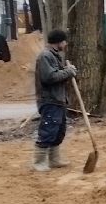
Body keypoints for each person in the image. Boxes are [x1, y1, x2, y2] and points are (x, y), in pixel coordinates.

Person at [33, 28, 77, 172]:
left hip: (58, 100)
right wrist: (67, 72)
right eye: (64, 41)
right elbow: (49, 77)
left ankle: (54, 159)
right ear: (58, 42)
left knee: (59, 130)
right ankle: (39, 162)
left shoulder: (55, 56)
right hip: (50, 100)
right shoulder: (45, 56)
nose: (65, 44)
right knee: (48, 129)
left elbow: (57, 73)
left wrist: (66, 70)